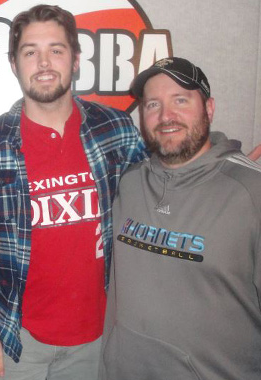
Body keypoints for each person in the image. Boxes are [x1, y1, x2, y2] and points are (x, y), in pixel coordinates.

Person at [0, 4, 147, 379]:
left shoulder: (115, 129)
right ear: (14, 65)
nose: (44, 63)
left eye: (56, 50)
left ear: (76, 60)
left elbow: (161, 193)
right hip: (18, 338)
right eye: (30, 52)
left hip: (98, 336)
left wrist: (220, 171)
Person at [101, 57, 261, 380]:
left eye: (180, 100)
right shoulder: (129, 183)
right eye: (153, 105)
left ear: (210, 108)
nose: (166, 116)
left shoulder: (250, 193)